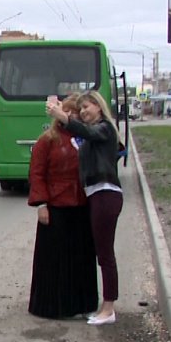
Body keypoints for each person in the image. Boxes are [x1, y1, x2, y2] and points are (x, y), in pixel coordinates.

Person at [46, 91, 123, 326]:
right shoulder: (92, 134)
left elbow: (86, 131)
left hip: (105, 194)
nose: (84, 112)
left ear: (99, 107)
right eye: (81, 110)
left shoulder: (105, 128)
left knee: (105, 254)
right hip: (97, 195)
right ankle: (105, 306)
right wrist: (64, 116)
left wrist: (63, 115)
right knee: (102, 252)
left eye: (88, 107)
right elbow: (79, 133)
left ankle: (108, 308)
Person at [27, 93, 98, 319]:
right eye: (68, 112)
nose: (72, 116)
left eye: (77, 113)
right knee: (54, 260)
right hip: (56, 206)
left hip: (82, 205)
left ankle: (80, 304)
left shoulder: (86, 139)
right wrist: (41, 204)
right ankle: (51, 306)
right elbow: (37, 174)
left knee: (81, 257)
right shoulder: (47, 140)